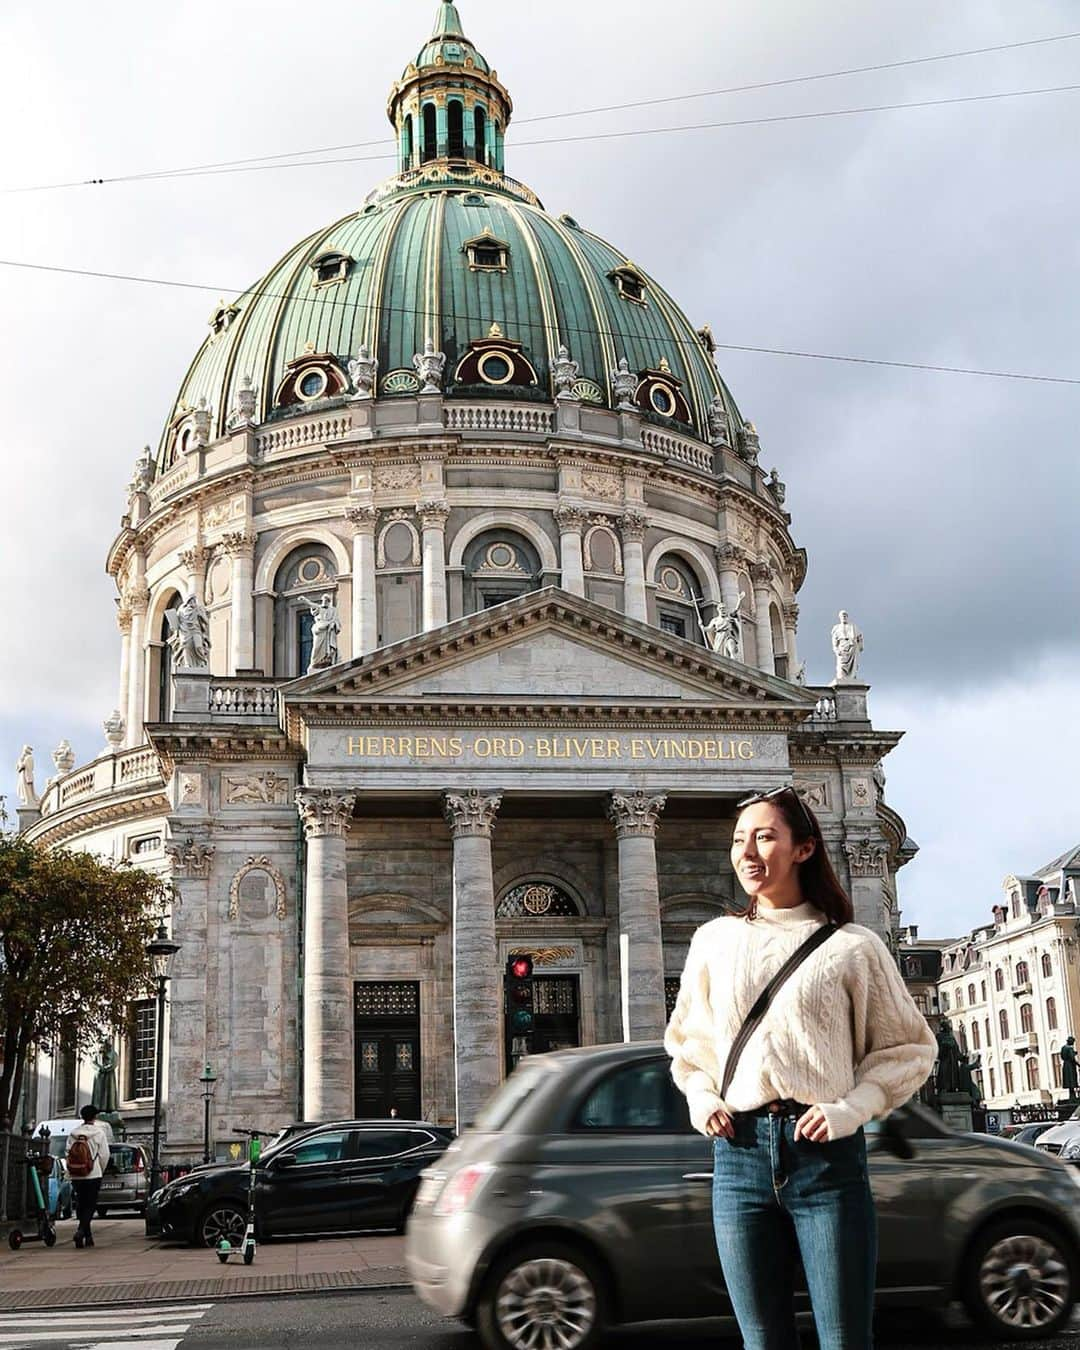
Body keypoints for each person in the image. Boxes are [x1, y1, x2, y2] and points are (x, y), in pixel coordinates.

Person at [665, 786, 936, 1349]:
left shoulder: (852, 947)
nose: (748, 852)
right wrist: (701, 1097)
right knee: (761, 1341)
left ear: (804, 848)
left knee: (843, 1339)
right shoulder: (713, 941)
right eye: (739, 840)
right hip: (737, 1155)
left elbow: (909, 1048)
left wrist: (852, 1109)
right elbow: (689, 1043)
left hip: (826, 1159)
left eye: (765, 836)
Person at [68, 1103, 111, 1249]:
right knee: (90, 1205)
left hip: (76, 1174)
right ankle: (81, 1231)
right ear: (95, 1117)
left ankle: (88, 1236)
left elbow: (67, 1153)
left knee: (81, 1204)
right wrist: (100, 1169)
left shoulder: (73, 1133)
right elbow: (105, 1154)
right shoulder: (99, 1133)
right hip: (93, 1174)